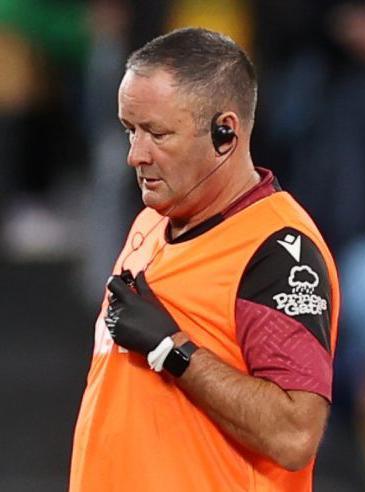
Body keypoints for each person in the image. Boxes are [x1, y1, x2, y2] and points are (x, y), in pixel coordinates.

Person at [69, 28, 340, 492]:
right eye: (129, 130)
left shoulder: (277, 249)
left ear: (225, 134)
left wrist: (170, 349)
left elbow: (295, 434)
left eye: (157, 133)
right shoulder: (149, 224)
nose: (135, 155)